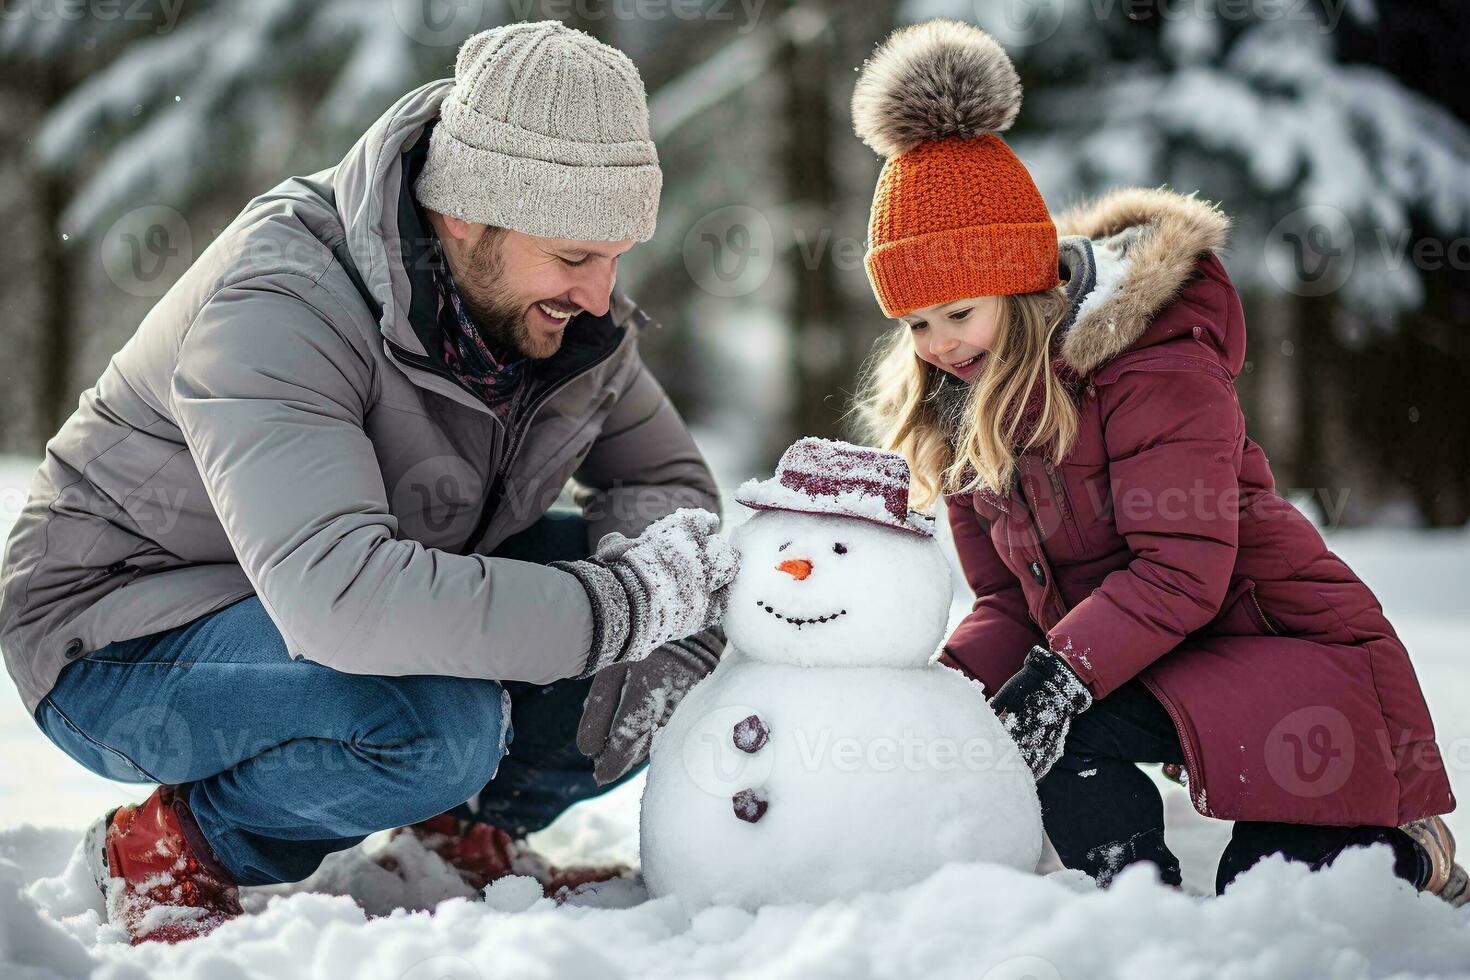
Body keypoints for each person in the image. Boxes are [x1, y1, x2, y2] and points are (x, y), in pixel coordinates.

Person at [0, 21, 737, 944]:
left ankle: (454, 834)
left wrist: (657, 601)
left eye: (618, 252)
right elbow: (340, 597)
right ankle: (177, 843)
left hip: (351, 598)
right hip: (119, 635)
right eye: (576, 256)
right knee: (434, 720)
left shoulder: (559, 318)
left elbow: (663, 477)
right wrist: (612, 611)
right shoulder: (282, 298)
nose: (602, 292)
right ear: (468, 215)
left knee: (684, 611)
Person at [851, 19, 1461, 899]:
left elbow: (1181, 570)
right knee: (1023, 728)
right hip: (1155, 663)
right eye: (915, 321)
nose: (938, 343)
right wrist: (945, 697)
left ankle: (1409, 849)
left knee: (1274, 889)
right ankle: (1131, 903)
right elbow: (1003, 599)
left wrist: (1057, 678)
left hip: (1287, 652)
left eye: (959, 311)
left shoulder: (1153, 369)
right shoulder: (965, 416)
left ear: (1021, 285)